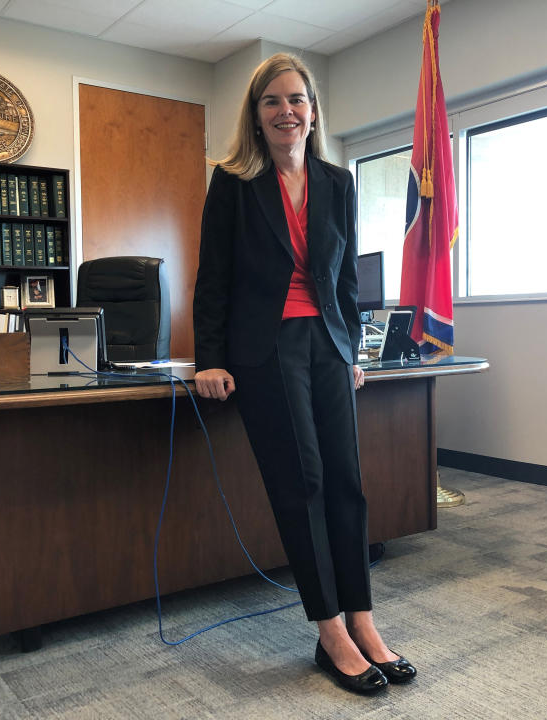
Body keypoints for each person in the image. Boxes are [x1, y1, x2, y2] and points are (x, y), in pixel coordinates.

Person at [193, 53, 416, 695]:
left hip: (327, 343)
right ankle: (331, 634)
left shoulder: (337, 183)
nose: (285, 111)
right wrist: (209, 356)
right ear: (256, 116)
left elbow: (344, 278)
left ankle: (364, 621)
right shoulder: (233, 182)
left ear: (312, 110)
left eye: (295, 99)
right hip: (266, 350)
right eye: (271, 101)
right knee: (305, 485)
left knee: (347, 481)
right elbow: (214, 279)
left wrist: (351, 352)